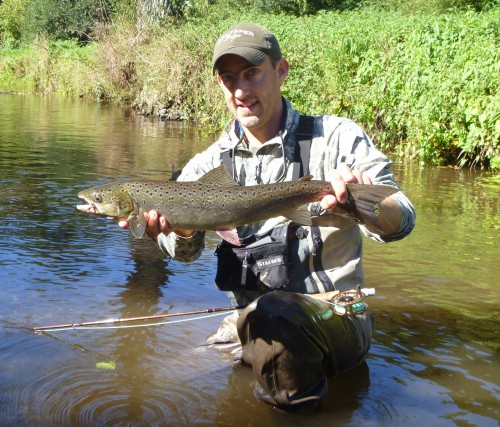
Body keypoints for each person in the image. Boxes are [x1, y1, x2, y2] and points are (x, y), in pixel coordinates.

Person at [119, 23, 415, 410]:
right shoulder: (207, 164)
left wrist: (362, 202)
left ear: (281, 71)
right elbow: (184, 254)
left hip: (337, 315)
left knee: (276, 319)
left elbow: (403, 220)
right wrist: (183, 227)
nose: (240, 91)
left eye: (252, 73)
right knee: (164, 385)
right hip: (249, 325)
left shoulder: (337, 138)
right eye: (228, 79)